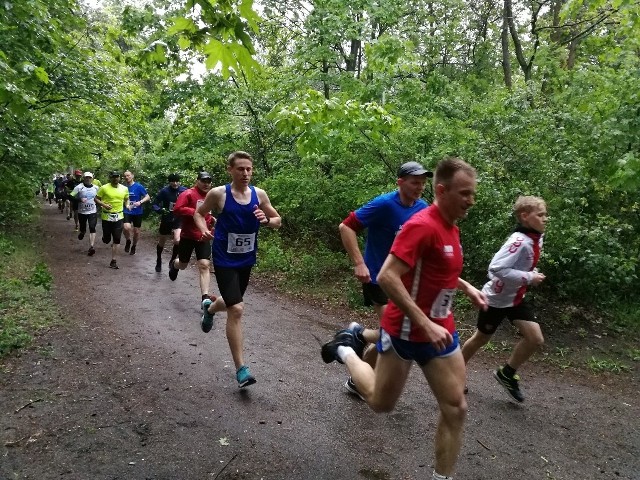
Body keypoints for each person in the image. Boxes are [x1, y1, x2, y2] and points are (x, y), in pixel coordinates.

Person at [321, 157, 487, 480]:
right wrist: (424, 322)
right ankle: (346, 350)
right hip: (408, 331)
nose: (471, 200)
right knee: (381, 403)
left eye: (472, 193)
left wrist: (466, 287)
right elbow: (387, 276)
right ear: (443, 190)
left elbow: (438, 269)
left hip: (442, 330)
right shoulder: (421, 225)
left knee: (456, 408)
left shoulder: (450, 225)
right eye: (465, 193)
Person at [338, 161, 430, 400]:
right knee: (395, 333)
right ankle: (358, 370)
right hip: (378, 277)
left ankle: (359, 339)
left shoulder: (423, 208)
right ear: (400, 182)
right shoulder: (384, 204)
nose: (419, 187)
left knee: (393, 332)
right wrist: (359, 263)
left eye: (422, 183)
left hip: (405, 281)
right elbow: (346, 227)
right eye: (414, 182)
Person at [195, 151, 282, 388]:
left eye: (249, 169)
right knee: (237, 309)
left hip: (246, 260)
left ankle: (210, 309)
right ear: (230, 170)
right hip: (224, 259)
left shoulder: (259, 194)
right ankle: (241, 369)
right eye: (241, 169)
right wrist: (203, 229)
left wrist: (266, 220)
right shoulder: (219, 194)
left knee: (232, 301)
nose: (245, 173)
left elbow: (278, 221)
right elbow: (199, 213)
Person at [461, 196, 547, 403]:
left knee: (535, 338)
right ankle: (455, 371)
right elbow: (496, 268)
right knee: (481, 339)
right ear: (525, 217)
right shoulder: (518, 242)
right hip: (496, 300)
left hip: (516, 298)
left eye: (546, 214)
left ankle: (507, 373)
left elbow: (520, 266)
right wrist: (529, 277)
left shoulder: (537, 237)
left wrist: (530, 273)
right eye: (541, 215)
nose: (545, 219)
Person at [169, 171, 215, 301]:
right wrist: (195, 212)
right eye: (203, 181)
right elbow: (177, 209)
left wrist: (211, 219)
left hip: (203, 235)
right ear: (197, 181)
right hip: (188, 235)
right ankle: (174, 264)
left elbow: (208, 213)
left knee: (204, 265)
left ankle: (205, 298)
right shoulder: (188, 193)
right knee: (183, 264)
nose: (206, 184)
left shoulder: (211, 196)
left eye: (208, 182)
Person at [152, 173, 187, 272]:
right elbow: (155, 203)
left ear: (179, 181)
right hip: (167, 218)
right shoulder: (164, 191)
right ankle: (159, 260)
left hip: (178, 219)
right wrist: (160, 210)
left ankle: (172, 259)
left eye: (177, 181)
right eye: (173, 181)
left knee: (177, 240)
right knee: (162, 240)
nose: (175, 183)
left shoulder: (184, 190)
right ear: (169, 181)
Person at [94, 171, 129, 269]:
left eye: (117, 177)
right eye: (113, 177)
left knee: (117, 239)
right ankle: (105, 238)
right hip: (106, 216)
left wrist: (127, 205)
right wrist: (104, 205)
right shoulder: (104, 188)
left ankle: (113, 260)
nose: (115, 179)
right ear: (110, 178)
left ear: (119, 178)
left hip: (119, 217)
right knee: (106, 239)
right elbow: (96, 199)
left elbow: (127, 199)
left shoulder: (124, 189)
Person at [70, 172, 100, 256]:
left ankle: (91, 247)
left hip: (92, 211)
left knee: (92, 227)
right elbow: (71, 196)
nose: (88, 179)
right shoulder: (79, 187)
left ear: (92, 179)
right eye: (86, 177)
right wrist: (79, 199)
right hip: (82, 212)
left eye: (89, 178)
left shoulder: (96, 188)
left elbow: (101, 197)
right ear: (83, 178)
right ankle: (82, 232)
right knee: (83, 228)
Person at [122, 170, 151, 255]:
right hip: (127, 210)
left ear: (132, 176)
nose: (127, 177)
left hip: (137, 211)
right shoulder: (123, 188)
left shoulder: (138, 186)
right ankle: (128, 240)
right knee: (126, 228)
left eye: (128, 175)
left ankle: (134, 246)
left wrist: (140, 202)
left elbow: (148, 196)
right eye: (125, 176)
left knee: (136, 231)